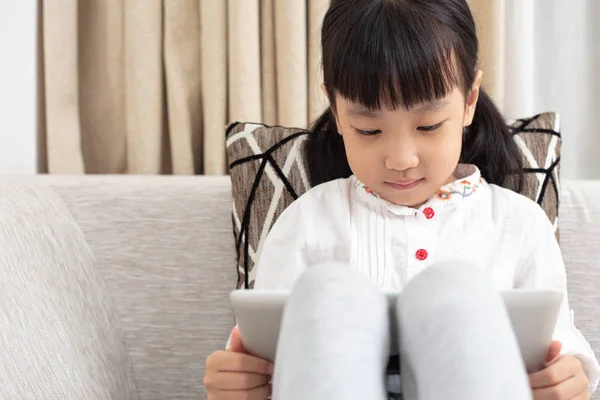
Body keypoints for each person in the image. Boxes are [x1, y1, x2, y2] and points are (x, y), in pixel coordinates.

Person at [204, 0, 600, 398]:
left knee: (455, 291)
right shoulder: (306, 222)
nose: (401, 159)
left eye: (428, 125)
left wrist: (568, 376)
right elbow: (263, 352)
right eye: (369, 130)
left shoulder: (519, 223)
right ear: (337, 112)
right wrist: (240, 382)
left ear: (469, 101)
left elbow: (559, 345)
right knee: (330, 293)